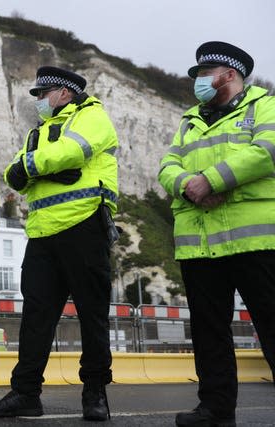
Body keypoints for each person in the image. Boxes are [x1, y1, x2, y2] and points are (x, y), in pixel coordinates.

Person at [0, 66, 119, 421]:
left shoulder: (92, 115)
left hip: (84, 226)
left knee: (92, 315)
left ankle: (95, 392)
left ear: (65, 92)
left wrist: (32, 167)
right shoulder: (36, 133)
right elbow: (14, 176)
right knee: (36, 319)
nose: (39, 100)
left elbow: (73, 153)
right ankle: (26, 392)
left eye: (43, 93)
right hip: (42, 235)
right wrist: (39, 168)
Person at [158, 41, 275, 427]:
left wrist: (209, 180)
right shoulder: (189, 120)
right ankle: (215, 408)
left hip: (255, 240)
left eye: (204, 74)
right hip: (201, 243)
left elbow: (267, 150)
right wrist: (189, 184)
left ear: (229, 74)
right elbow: (167, 167)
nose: (198, 81)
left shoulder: (264, 105)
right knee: (209, 332)